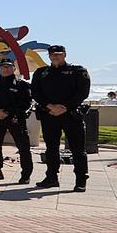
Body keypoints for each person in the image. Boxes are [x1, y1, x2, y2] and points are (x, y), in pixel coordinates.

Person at [31, 44, 91, 192]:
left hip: (71, 115)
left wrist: (64, 107)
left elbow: (83, 92)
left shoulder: (77, 71)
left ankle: (80, 180)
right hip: (49, 115)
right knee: (51, 148)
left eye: (58, 54)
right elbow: (35, 93)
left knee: (78, 149)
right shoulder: (41, 73)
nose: (55, 57)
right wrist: (50, 106)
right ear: (49, 56)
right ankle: (51, 178)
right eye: (52, 55)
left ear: (64, 55)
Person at [0, 57, 33, 183]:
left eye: (9, 67)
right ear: (0, 68)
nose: (6, 69)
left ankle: (26, 175)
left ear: (14, 69)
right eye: (3, 67)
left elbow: (25, 103)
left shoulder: (22, 85)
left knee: (23, 147)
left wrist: (7, 112)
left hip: (15, 119)